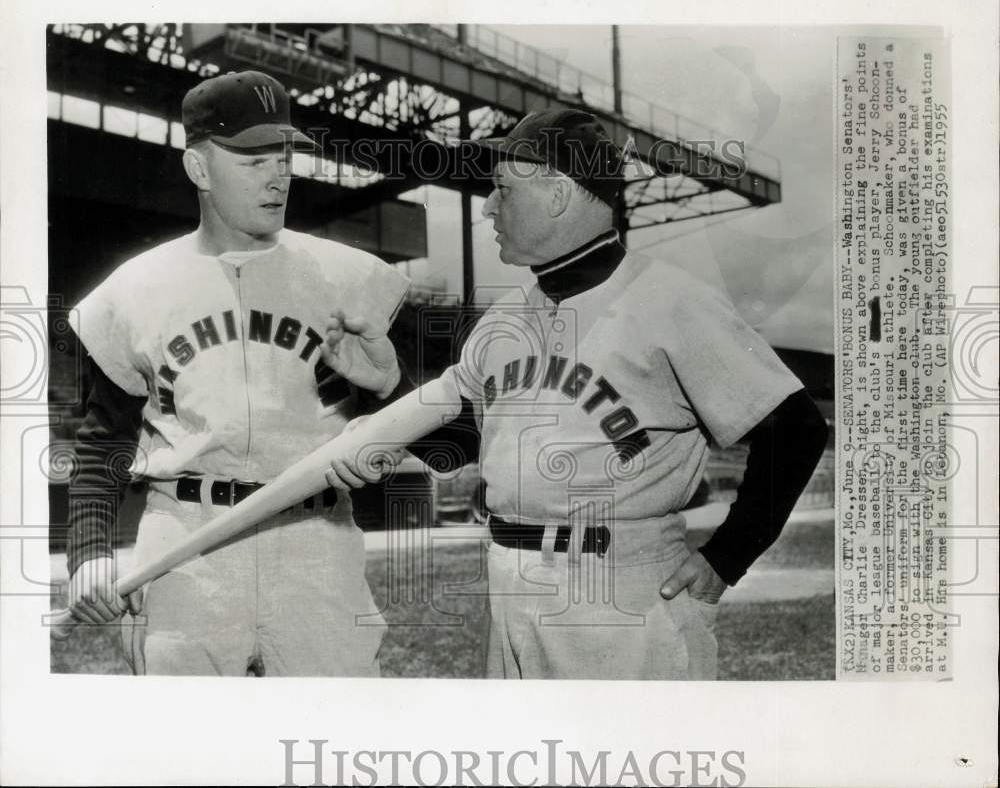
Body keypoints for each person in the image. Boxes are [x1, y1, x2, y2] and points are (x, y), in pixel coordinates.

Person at [326, 108, 828, 680]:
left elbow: (797, 428)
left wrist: (727, 557)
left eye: (502, 190)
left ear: (559, 192)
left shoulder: (672, 300)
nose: (488, 207)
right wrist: (388, 386)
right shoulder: (502, 319)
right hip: (508, 577)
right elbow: (464, 447)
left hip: (620, 581)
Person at [65, 70, 410, 676]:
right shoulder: (134, 288)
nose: (279, 174)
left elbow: (428, 439)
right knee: (190, 756)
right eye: (253, 159)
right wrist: (90, 551)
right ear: (199, 169)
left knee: (334, 747)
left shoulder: (351, 276)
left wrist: (391, 388)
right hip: (186, 547)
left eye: (284, 155)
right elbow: (103, 444)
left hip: (316, 541)